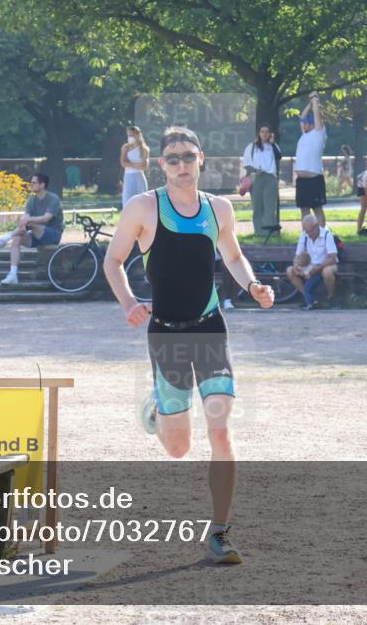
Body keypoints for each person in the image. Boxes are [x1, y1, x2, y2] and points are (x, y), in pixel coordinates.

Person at [102, 126, 274, 565]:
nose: (181, 164)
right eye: (173, 158)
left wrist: (252, 285)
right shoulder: (144, 207)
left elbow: (232, 255)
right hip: (165, 332)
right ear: (162, 164)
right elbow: (114, 260)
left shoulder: (219, 208)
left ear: (202, 160)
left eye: (188, 157)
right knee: (178, 448)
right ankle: (159, 410)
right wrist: (128, 303)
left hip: (210, 327)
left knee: (219, 426)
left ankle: (219, 531)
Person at [0, 173, 64, 284]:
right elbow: (26, 216)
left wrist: (27, 220)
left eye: (34, 182)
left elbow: (45, 219)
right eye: (31, 182)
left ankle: (5, 239)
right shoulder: (32, 200)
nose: (31, 185)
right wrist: (23, 221)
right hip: (36, 234)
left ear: (42, 185)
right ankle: (13, 275)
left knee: (31, 222)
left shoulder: (53, 199)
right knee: (17, 239)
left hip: (52, 235)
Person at [286, 214, 338, 310]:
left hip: (327, 263)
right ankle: (309, 299)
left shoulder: (327, 234)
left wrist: (318, 268)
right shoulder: (304, 235)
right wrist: (296, 265)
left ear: (316, 226)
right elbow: (297, 255)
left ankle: (331, 298)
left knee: (327, 272)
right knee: (290, 271)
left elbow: (333, 258)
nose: (309, 234)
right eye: (307, 231)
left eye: (310, 231)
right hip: (310, 266)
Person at [294, 92, 328, 226]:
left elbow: (317, 116)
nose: (306, 125)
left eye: (309, 123)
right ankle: (307, 236)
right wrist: (309, 103)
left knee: (317, 208)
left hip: (314, 178)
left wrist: (315, 100)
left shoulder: (319, 134)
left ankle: (321, 236)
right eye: (305, 124)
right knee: (304, 209)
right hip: (302, 180)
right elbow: (302, 117)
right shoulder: (304, 135)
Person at [241, 124, 282, 235]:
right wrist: (255, 170)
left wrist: (273, 143)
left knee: (270, 206)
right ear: (259, 133)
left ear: (270, 134)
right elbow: (247, 164)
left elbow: (279, 157)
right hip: (257, 177)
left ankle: (270, 232)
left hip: (270, 178)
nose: (264, 134)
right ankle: (258, 232)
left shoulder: (273, 146)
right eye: (262, 131)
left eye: (267, 132)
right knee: (257, 206)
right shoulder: (252, 146)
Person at [121, 126, 149, 207]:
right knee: (127, 201)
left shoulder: (144, 149)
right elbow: (123, 163)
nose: (130, 137)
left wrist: (132, 165)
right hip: (128, 176)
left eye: (132, 135)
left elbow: (144, 166)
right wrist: (136, 165)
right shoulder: (126, 147)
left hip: (139, 176)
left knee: (142, 200)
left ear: (137, 135)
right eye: (128, 135)